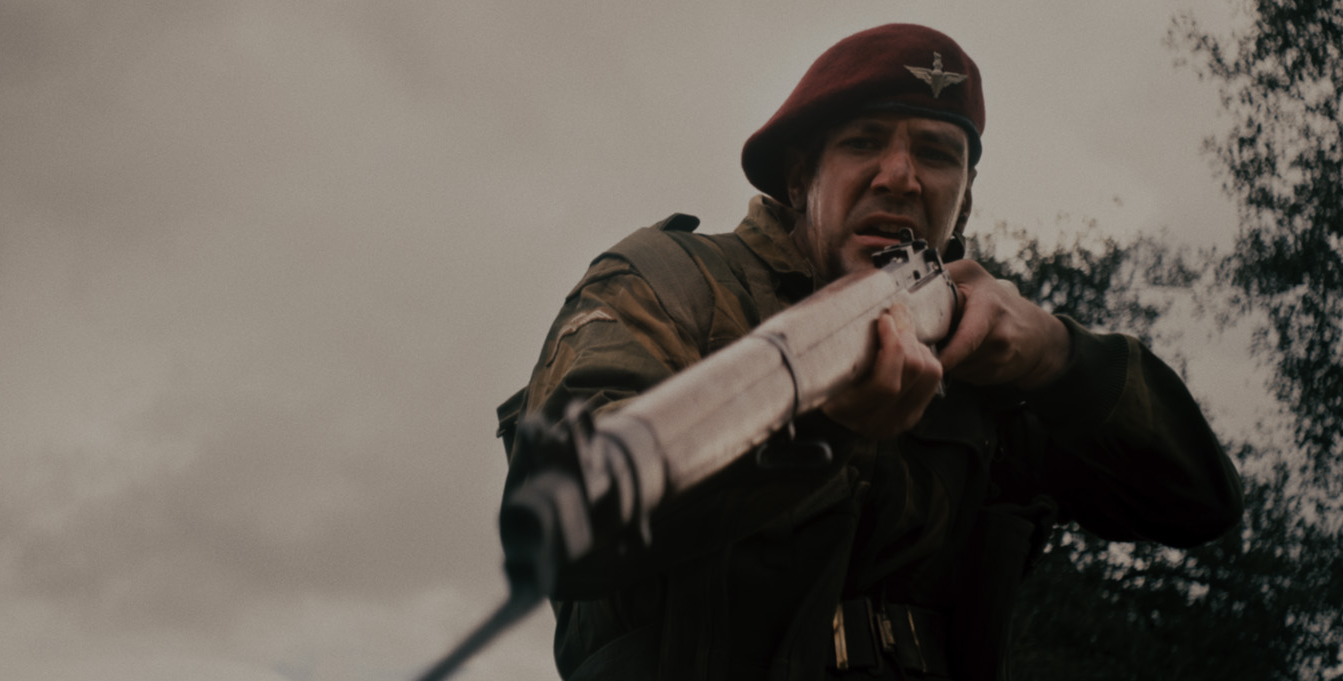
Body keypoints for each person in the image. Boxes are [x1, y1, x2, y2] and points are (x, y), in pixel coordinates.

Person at [496, 23, 1242, 681]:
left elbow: (1199, 503)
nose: (900, 176)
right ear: (800, 178)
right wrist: (817, 430)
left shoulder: (988, 355)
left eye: (936, 154)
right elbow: (563, 513)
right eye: (862, 142)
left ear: (965, 199)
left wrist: (1059, 355)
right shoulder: (670, 282)